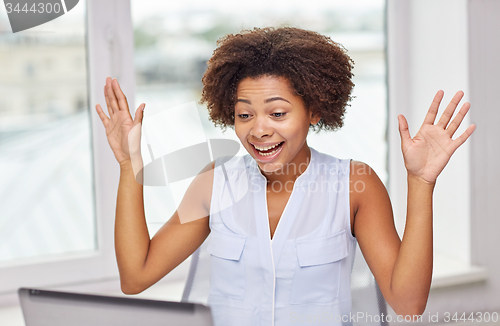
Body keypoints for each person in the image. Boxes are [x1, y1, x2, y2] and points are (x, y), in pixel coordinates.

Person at [95, 26, 476, 326]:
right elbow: (135, 276)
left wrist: (421, 183)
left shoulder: (354, 185)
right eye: (245, 115)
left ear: (314, 111)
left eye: (278, 113)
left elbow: (408, 304)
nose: (258, 130)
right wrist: (130, 167)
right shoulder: (216, 183)